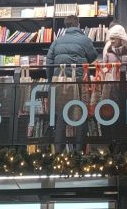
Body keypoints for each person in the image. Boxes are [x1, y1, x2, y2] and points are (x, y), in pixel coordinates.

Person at [46, 15, 97, 151]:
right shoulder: (85, 40)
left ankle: (58, 152)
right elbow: (93, 56)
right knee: (81, 115)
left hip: (60, 83)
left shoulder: (57, 41)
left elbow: (49, 63)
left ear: (66, 26)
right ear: (78, 24)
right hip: (79, 82)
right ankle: (79, 152)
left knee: (62, 115)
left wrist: (51, 81)